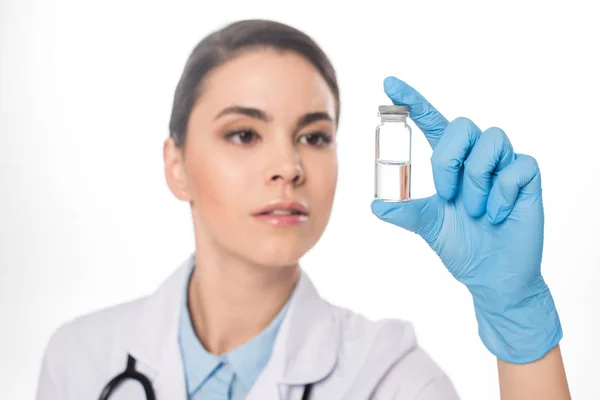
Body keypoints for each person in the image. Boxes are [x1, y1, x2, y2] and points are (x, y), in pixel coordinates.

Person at [35, 19, 570, 400]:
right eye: (244, 133)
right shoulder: (81, 359)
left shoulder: (389, 377)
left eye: (314, 136)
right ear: (176, 166)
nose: (288, 166)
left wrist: (517, 320)